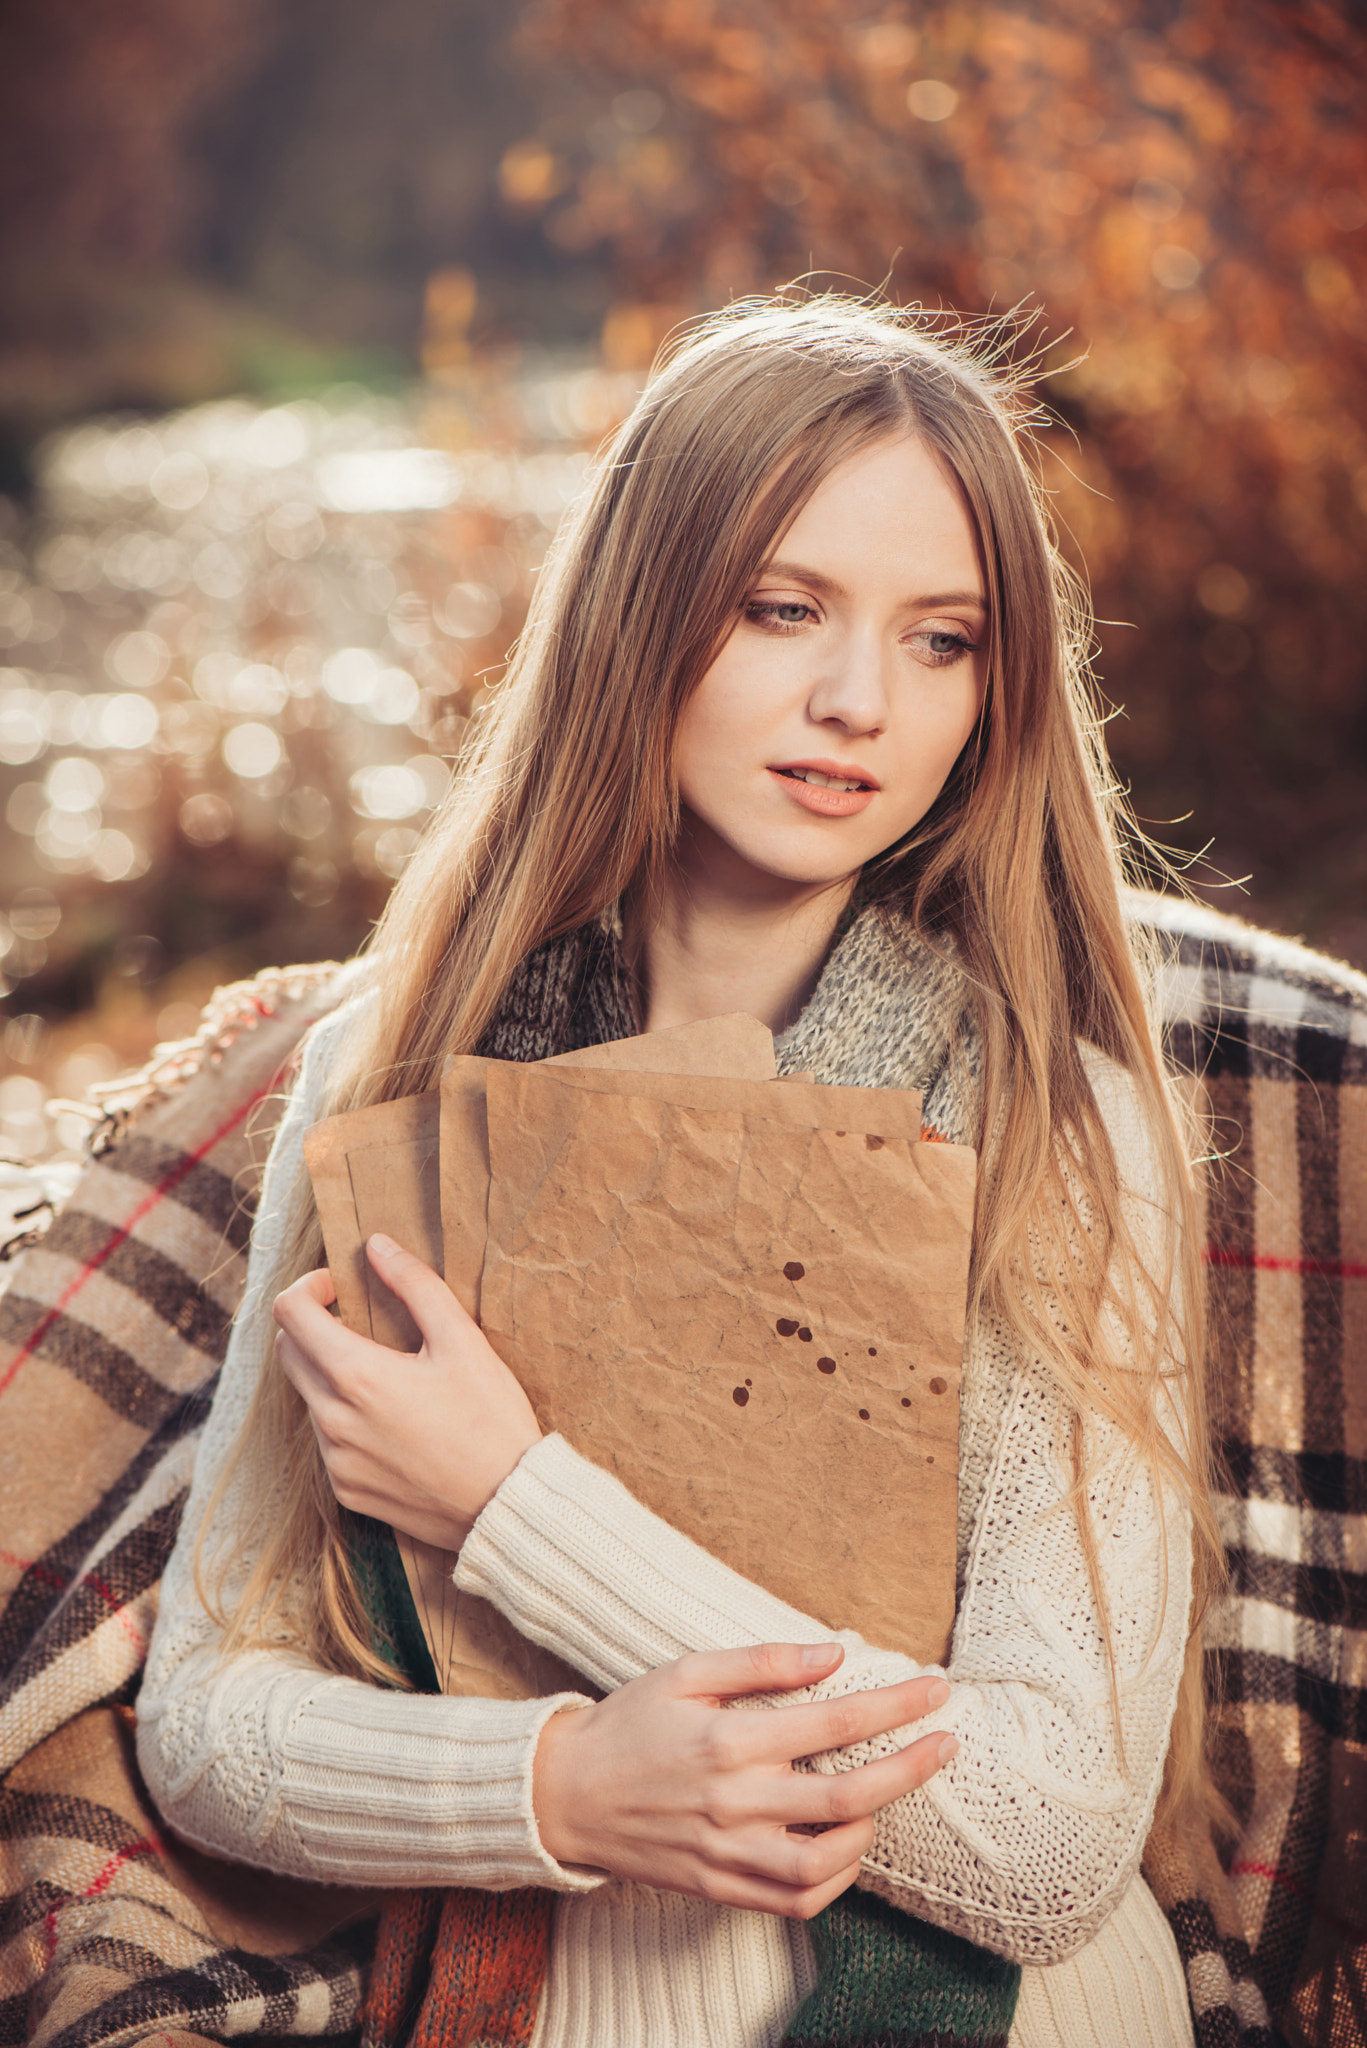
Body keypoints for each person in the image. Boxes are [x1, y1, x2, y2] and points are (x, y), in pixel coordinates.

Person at [138, 294, 1220, 2047]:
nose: (858, 699)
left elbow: (1047, 1838)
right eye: (784, 607)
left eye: (943, 640)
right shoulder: (393, 1077)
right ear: (644, 617)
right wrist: (553, 1786)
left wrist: (515, 1509)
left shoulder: (1052, 1132)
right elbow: (202, 1716)